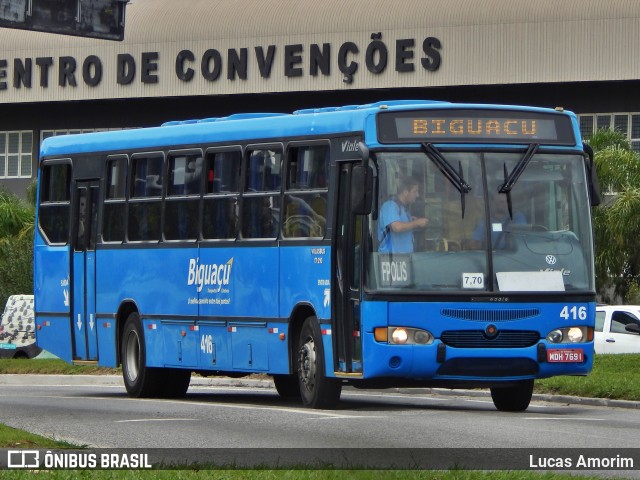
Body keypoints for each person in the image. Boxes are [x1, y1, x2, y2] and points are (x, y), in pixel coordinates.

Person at [378, 177, 428, 253]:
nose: (417, 195)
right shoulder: (390, 206)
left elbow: (402, 225)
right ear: (405, 192)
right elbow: (397, 227)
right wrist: (416, 223)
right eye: (415, 191)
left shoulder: (403, 209)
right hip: (391, 259)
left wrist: (412, 221)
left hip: (403, 259)